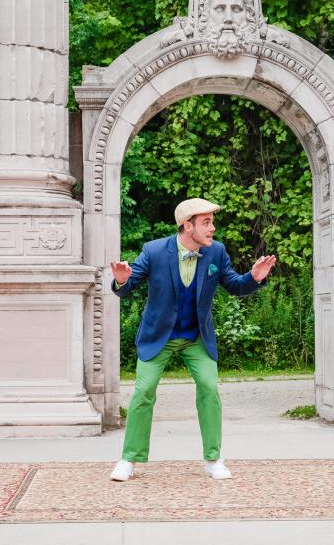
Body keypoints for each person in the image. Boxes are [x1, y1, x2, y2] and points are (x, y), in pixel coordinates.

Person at [108, 198, 276, 481]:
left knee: (210, 389)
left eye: (212, 222)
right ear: (188, 226)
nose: (212, 229)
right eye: (206, 223)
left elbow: (235, 285)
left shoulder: (216, 252)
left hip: (196, 336)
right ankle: (128, 460)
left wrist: (254, 277)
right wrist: (122, 280)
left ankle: (213, 459)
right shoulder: (155, 251)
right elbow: (126, 287)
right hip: (158, 336)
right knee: (143, 392)